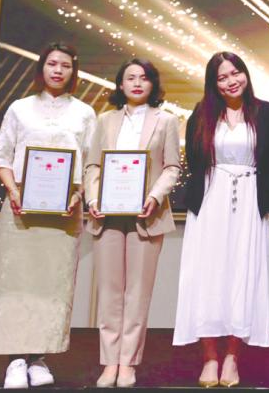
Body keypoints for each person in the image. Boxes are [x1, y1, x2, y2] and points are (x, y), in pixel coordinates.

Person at [0, 41, 97, 389]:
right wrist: (15, 192)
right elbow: (1, 157)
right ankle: (15, 359)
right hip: (22, 209)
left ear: (73, 72)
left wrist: (78, 196)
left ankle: (40, 357)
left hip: (65, 211)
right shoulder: (20, 109)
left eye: (65, 65)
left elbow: (91, 163)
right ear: (42, 68)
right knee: (16, 283)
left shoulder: (84, 113)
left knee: (54, 285)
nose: (58, 70)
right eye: (52, 64)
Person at [173, 52, 269, 388]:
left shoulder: (265, 112)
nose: (231, 81)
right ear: (213, 83)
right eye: (222, 77)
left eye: (236, 73)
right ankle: (209, 357)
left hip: (249, 200)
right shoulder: (202, 113)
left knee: (242, 275)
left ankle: (232, 358)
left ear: (245, 75)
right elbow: (193, 160)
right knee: (208, 276)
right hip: (210, 198)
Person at [83, 58, 181, 388]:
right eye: (130, 78)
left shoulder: (166, 121)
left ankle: (128, 363)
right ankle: (109, 362)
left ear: (153, 84)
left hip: (146, 216)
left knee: (137, 293)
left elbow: (172, 168)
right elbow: (93, 166)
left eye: (144, 78)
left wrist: (154, 196)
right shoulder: (104, 119)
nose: (137, 83)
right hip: (107, 216)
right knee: (110, 292)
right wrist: (93, 199)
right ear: (120, 85)